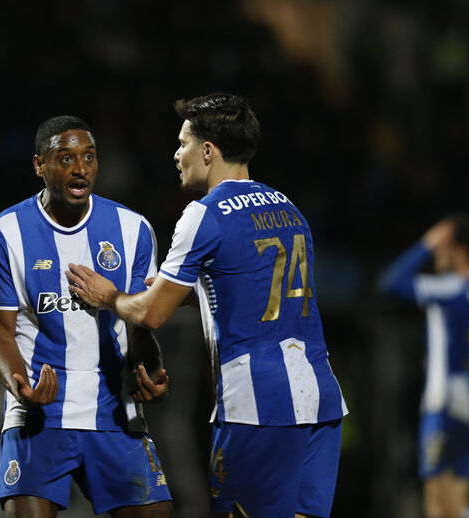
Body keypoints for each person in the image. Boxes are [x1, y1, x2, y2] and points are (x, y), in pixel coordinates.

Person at [67, 93, 348, 518]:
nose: (176, 154)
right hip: (321, 399)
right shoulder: (289, 208)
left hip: (258, 404)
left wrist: (109, 297)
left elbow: (151, 314)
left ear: (208, 151)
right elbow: (254, 287)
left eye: (183, 143)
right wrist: (179, 290)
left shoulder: (204, 214)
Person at [0, 115, 174, 517]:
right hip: (39, 412)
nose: (80, 168)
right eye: (66, 158)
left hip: (113, 410)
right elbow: (0, 334)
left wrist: (149, 371)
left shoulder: (133, 229)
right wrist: (22, 388)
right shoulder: (2, 235)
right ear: (39, 165)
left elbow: (139, 326)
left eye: (88, 157)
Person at [378, 216, 469, 518]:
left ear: (461, 251)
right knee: (454, 504)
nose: (439, 254)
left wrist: (427, 243)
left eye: (445, 247)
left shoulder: (451, 290)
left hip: (443, 405)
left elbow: (391, 282)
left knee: (437, 508)